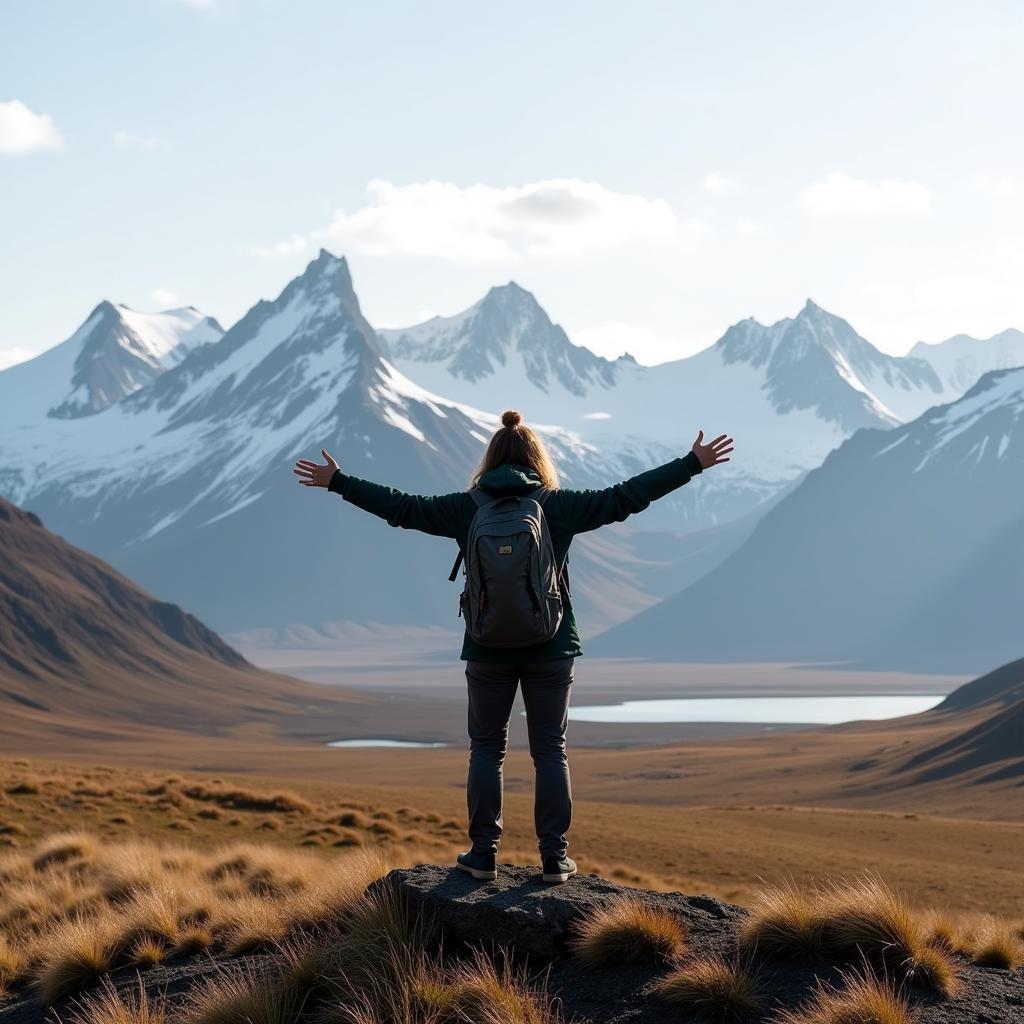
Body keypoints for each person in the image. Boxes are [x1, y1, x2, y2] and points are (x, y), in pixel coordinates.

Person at [294, 410, 733, 884]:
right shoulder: (556, 505)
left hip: (485, 648)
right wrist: (691, 464)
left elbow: (403, 508)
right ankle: (554, 859)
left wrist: (339, 481)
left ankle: (482, 855)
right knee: (550, 750)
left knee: (487, 748)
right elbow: (625, 497)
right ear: (537, 459)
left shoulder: (468, 507)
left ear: (489, 459)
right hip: (552, 645)